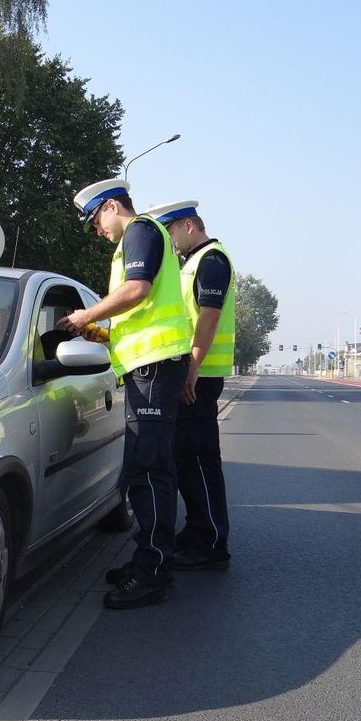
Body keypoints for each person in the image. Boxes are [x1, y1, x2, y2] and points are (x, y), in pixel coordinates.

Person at [59, 178, 193, 609]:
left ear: (113, 205)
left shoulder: (141, 231)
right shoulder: (135, 241)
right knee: (145, 468)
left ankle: (152, 571)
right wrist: (100, 330)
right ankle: (149, 559)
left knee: (149, 470)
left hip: (154, 368)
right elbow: (136, 313)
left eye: (96, 218)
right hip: (148, 367)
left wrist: (87, 313)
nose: (97, 229)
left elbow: (137, 292)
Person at [146, 200, 235, 571]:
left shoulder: (212, 259)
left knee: (198, 461)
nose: (168, 239)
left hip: (200, 377)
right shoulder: (193, 262)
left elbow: (210, 316)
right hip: (193, 375)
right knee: (186, 459)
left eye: (169, 231)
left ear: (188, 225)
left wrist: (192, 368)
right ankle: (198, 530)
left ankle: (211, 542)